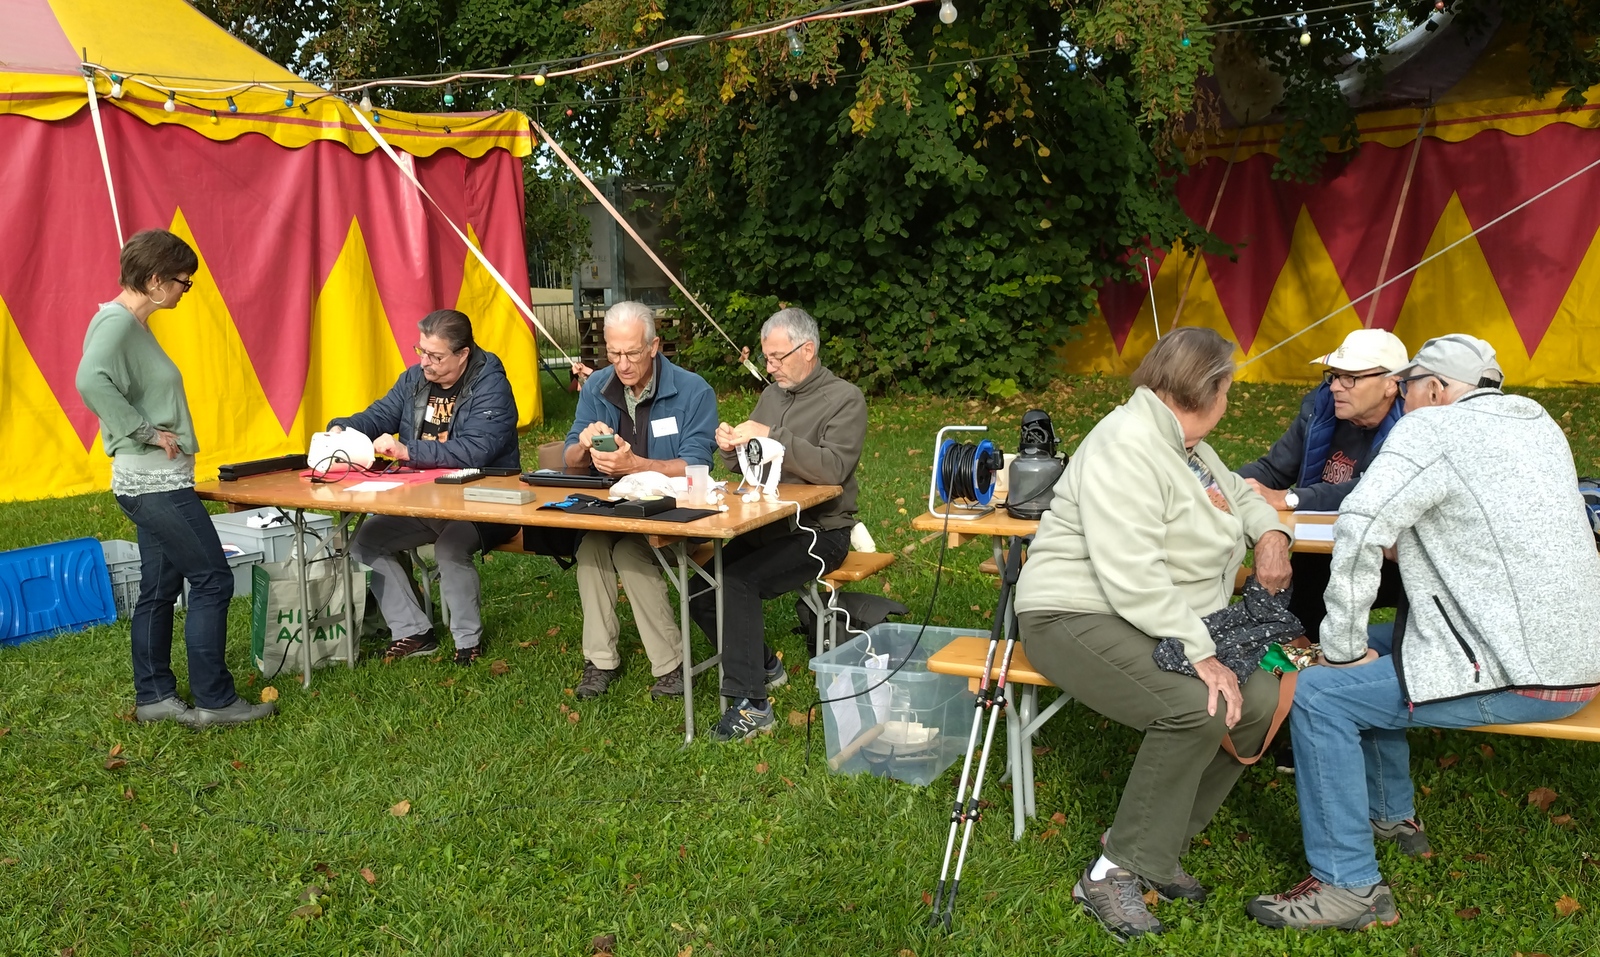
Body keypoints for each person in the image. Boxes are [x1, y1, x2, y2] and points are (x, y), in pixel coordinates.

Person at [1247, 335, 1600, 931]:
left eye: (1407, 386)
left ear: (1435, 389)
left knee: (1319, 692)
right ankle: (1391, 815)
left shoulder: (1429, 428)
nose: (1402, 399)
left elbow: (1358, 529)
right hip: (1578, 656)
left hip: (1523, 671)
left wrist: (1340, 651)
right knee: (1389, 646)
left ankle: (1347, 885)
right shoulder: (1537, 423)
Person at [1014, 327, 1294, 940]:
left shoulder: (1185, 443)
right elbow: (1131, 574)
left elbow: (1239, 495)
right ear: (1213, 389)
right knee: (1197, 707)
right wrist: (1202, 654)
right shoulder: (1128, 443)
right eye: (1229, 390)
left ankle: (1152, 846)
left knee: (1263, 701)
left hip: (1149, 614)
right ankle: (1112, 872)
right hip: (1071, 614)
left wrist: (1271, 533)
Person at [75, 228, 277, 728]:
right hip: (153, 484)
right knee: (211, 579)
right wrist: (144, 431)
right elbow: (88, 380)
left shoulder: (131, 325)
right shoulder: (117, 325)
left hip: (154, 482)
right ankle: (216, 700)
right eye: (185, 283)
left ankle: (156, 699)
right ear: (156, 280)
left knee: (159, 588)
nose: (187, 292)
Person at [689, 307, 867, 741]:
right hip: (767, 524)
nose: (769, 367)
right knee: (701, 585)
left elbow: (832, 468)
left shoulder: (845, 399)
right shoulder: (773, 394)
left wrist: (771, 435)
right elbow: (753, 463)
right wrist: (732, 448)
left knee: (737, 582)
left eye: (777, 357)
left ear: (807, 350)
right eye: (767, 358)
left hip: (820, 532)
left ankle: (752, 705)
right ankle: (765, 664)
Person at [331, 309, 519, 665]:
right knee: (363, 541)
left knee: (449, 548)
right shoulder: (414, 379)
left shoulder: (491, 384)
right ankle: (414, 631)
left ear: (463, 354)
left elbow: (478, 450)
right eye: (420, 351)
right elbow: (378, 416)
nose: (425, 362)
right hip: (424, 500)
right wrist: (343, 429)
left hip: (486, 500)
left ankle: (467, 642)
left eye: (435, 356)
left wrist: (408, 451)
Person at [563, 302, 717, 700]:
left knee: (632, 555)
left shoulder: (693, 390)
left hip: (674, 513)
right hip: (612, 510)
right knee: (591, 550)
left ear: (654, 346)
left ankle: (672, 666)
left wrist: (637, 465)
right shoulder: (598, 385)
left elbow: (696, 464)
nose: (622, 363)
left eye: (632, 353)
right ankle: (599, 660)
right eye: (613, 353)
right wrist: (582, 445)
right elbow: (569, 457)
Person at [1237, 327, 1410, 642]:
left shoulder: (1412, 426)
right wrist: (1226, 487)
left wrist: (1290, 499)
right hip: (1320, 556)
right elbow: (1273, 468)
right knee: (1301, 604)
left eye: (1351, 378)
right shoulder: (1320, 410)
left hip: (1391, 559)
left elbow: (1368, 492)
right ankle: (1301, 660)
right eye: (1334, 375)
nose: (1335, 388)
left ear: (1390, 384)